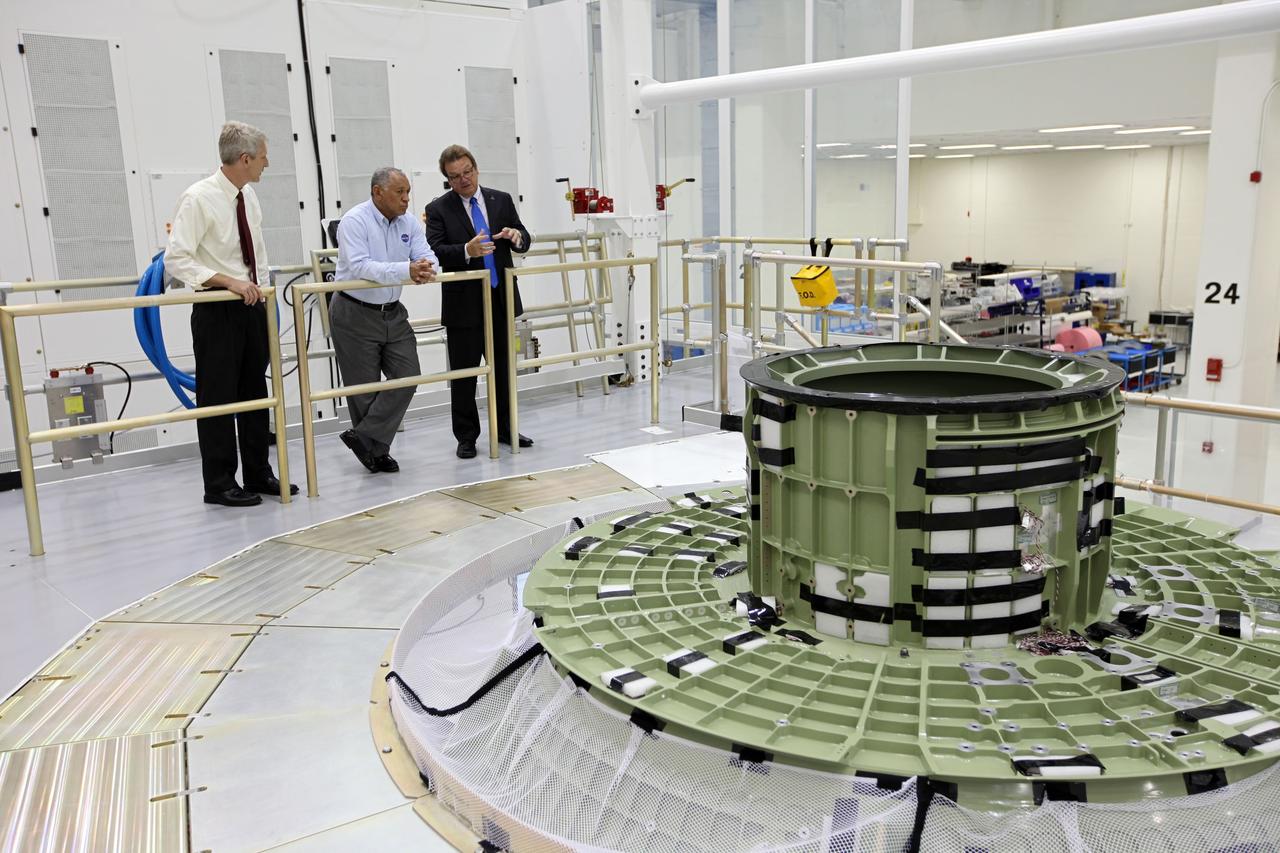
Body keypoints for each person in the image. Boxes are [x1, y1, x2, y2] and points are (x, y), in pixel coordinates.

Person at [165, 121, 296, 507]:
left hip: (252, 307)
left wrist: (263, 292)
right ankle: (219, 483)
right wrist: (228, 282)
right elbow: (177, 259)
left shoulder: (247, 196)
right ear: (244, 158)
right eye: (262, 157)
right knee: (219, 398)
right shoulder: (198, 199)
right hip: (217, 309)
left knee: (255, 392)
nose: (266, 164)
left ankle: (258, 472)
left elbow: (258, 252)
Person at [425, 144, 533, 459]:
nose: (464, 180)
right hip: (464, 306)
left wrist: (517, 237)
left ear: (476, 168)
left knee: (503, 369)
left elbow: (524, 237)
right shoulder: (439, 209)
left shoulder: (501, 199)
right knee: (464, 375)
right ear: (447, 178)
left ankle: (505, 429)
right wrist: (466, 251)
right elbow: (436, 251)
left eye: (467, 172)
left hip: (501, 298)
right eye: (455, 177)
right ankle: (467, 437)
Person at [332, 167, 438, 473]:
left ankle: (364, 438)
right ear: (378, 192)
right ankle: (377, 452)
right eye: (400, 192)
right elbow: (362, 267)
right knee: (363, 390)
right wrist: (407, 270)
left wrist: (427, 267)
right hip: (354, 311)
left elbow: (426, 254)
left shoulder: (408, 222)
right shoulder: (354, 221)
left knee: (409, 375)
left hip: (392, 310)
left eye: (408, 192)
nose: (406, 199)